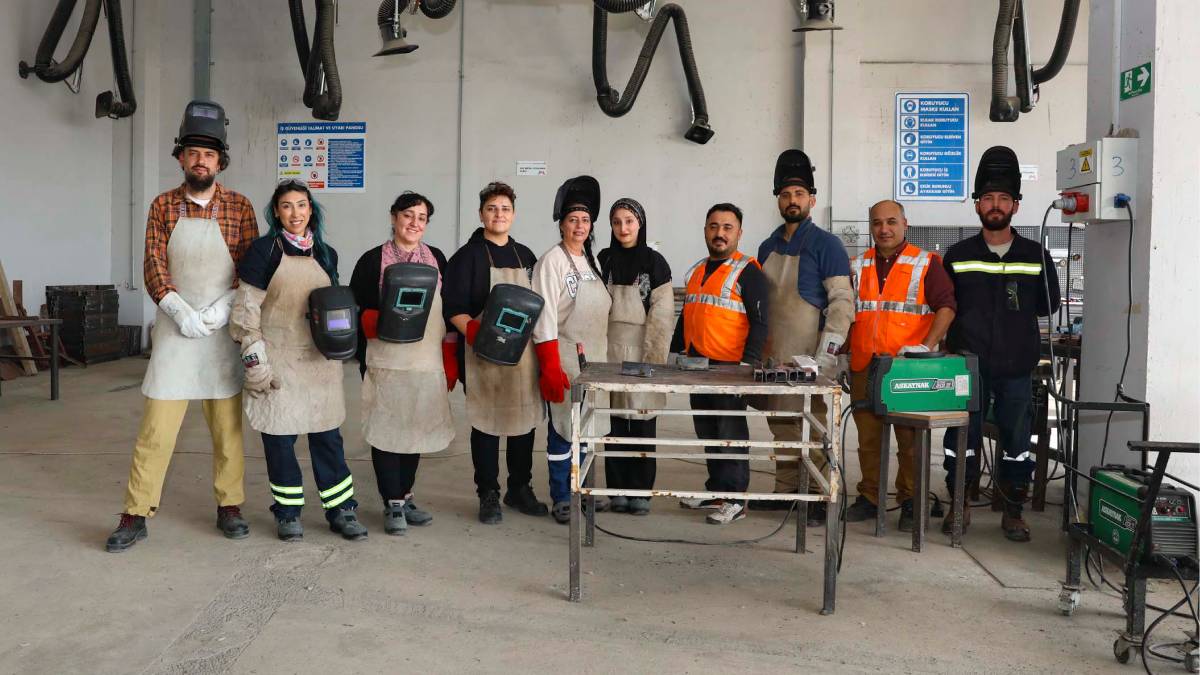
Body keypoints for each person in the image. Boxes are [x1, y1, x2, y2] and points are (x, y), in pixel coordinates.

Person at [106, 99, 257, 552]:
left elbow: (251, 267)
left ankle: (230, 505)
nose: (200, 161)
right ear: (181, 158)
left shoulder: (239, 207)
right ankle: (135, 513)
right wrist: (178, 310)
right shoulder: (162, 206)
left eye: (209, 154)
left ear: (220, 161)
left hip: (221, 332)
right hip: (176, 330)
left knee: (227, 431)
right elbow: (153, 262)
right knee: (156, 429)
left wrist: (223, 307)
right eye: (193, 153)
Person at [229, 179, 368, 542]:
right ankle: (288, 512)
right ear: (276, 212)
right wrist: (254, 357)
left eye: (302, 205)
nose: (295, 213)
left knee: (327, 437)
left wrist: (342, 345)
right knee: (279, 438)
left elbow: (335, 306)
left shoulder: (326, 253)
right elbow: (246, 308)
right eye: (287, 206)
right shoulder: (264, 251)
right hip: (278, 358)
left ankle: (341, 509)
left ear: (311, 210)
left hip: (319, 361)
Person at [942, 146, 1060, 542]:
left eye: (1004, 198)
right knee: (961, 439)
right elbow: (945, 307)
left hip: (1016, 367)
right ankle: (959, 503)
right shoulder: (958, 256)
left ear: (1016, 205)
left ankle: (1013, 511)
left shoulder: (1036, 255)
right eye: (988, 198)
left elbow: (1048, 305)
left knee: (1016, 442)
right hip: (967, 365)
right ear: (977, 204)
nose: (996, 205)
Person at [751, 150, 854, 526]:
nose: (792, 201)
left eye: (799, 194)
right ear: (777, 199)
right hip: (774, 353)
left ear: (812, 199)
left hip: (809, 356)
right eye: (785, 195)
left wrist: (825, 357)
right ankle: (786, 491)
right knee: (781, 424)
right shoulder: (767, 246)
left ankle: (816, 496)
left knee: (813, 427)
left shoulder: (827, 245)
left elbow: (842, 303)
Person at [844, 200, 956, 531]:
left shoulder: (926, 263)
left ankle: (911, 500)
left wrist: (927, 346)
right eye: (877, 223)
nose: (884, 229)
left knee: (910, 442)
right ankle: (870, 496)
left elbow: (946, 307)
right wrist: (841, 355)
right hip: (865, 365)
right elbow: (847, 312)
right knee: (868, 440)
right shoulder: (856, 266)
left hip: (907, 369)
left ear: (905, 224)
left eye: (891, 222)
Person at [443, 182, 548, 524]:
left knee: (523, 423)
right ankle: (487, 492)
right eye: (492, 209)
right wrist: (479, 335)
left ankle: (519, 488)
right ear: (481, 214)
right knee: (486, 426)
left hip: (523, 358)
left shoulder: (526, 256)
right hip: (483, 356)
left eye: (504, 209)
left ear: (513, 215)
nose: (498, 214)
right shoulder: (467, 257)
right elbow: (453, 308)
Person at [349, 192, 453, 535]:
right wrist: (374, 323)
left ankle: (406, 496)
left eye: (421, 218)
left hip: (426, 360)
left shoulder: (437, 258)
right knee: (387, 431)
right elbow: (355, 309)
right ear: (394, 217)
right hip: (387, 361)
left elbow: (447, 310)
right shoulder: (372, 260)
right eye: (408, 215)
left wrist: (450, 358)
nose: (414, 223)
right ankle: (391, 502)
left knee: (415, 430)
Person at [672, 203, 769, 525]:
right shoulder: (698, 270)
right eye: (714, 226)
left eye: (727, 227)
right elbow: (687, 315)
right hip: (698, 366)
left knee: (730, 433)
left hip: (730, 368)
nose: (720, 233)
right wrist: (674, 352)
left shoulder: (748, 271)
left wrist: (747, 365)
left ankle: (735, 499)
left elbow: (760, 323)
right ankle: (717, 491)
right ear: (705, 231)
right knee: (708, 431)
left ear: (739, 233)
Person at [531, 176, 613, 524]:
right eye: (572, 220)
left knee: (589, 429)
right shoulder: (552, 261)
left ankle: (585, 490)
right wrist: (550, 365)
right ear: (562, 224)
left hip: (595, 358)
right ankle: (562, 496)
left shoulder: (592, 261)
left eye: (585, 220)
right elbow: (545, 315)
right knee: (563, 431)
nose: (579, 226)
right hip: (564, 356)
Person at [598, 198, 674, 516]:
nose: (623, 228)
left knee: (642, 422)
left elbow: (663, 314)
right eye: (617, 222)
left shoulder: (655, 263)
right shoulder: (603, 260)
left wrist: (652, 359)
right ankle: (617, 489)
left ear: (640, 224)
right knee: (613, 422)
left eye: (629, 221)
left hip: (643, 349)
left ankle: (641, 491)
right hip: (609, 350)